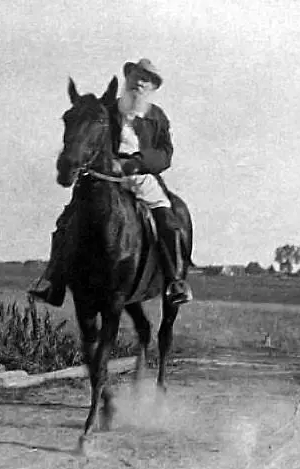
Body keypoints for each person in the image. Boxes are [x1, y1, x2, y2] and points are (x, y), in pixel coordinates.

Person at [28, 58, 193, 307]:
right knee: (67, 219)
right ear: (128, 78)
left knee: (168, 220)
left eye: (146, 80)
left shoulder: (157, 117)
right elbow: (92, 140)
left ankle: (174, 282)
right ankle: (55, 281)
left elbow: (165, 154)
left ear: (152, 87)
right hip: (106, 175)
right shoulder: (108, 111)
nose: (139, 83)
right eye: (136, 76)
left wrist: (137, 163)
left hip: (141, 176)